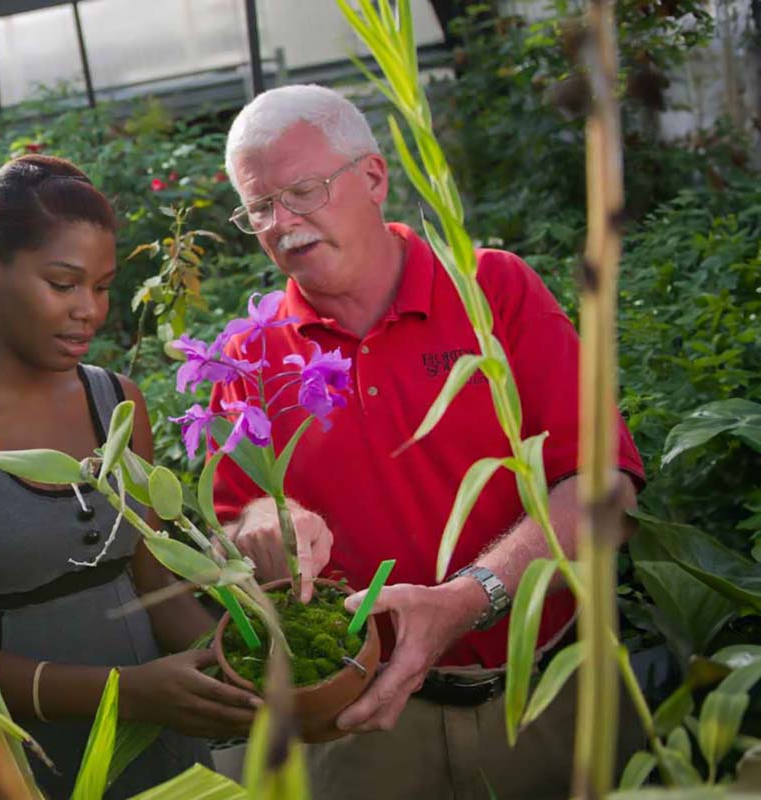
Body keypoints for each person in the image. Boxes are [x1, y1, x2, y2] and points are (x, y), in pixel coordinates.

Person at [207, 85, 646, 798]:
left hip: (548, 697)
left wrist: (472, 597)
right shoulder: (249, 357)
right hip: (364, 729)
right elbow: (230, 522)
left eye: (304, 192)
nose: (283, 223)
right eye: (260, 208)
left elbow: (606, 486)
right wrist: (259, 525)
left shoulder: (490, 291)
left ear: (374, 178)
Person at [0, 154, 258, 799]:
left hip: (161, 744)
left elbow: (153, 579)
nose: (89, 311)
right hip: (25, 763)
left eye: (102, 287)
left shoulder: (117, 404)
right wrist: (123, 693)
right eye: (63, 283)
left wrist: (247, 663)